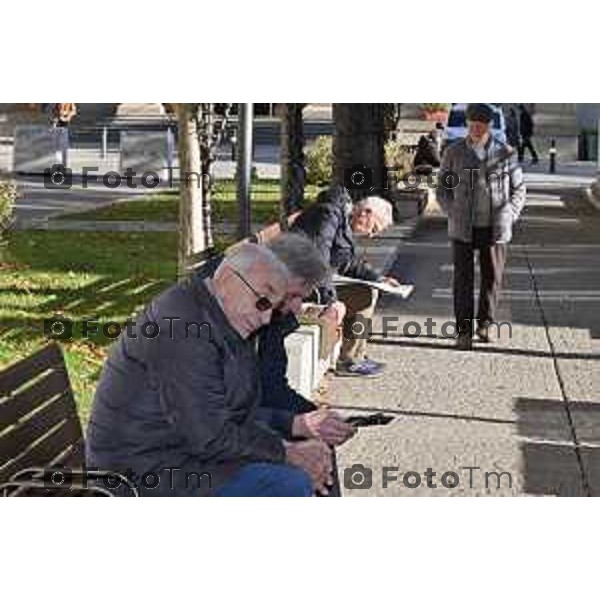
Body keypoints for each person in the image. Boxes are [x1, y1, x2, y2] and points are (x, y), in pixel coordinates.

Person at [86, 242, 335, 496]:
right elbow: (210, 437)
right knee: (291, 482)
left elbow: (231, 414)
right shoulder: (183, 329)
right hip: (143, 474)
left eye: (272, 307)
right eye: (262, 302)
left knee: (310, 458)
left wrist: (291, 427)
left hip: (181, 457)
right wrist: (286, 452)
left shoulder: (220, 315)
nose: (266, 318)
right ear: (227, 279)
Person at [437, 103, 526, 351]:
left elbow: (519, 189)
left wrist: (510, 214)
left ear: (489, 126)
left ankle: (485, 325)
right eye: (472, 124)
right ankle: (463, 332)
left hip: (495, 226)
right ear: (467, 125)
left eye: (481, 125)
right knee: (462, 280)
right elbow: (443, 189)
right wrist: (451, 211)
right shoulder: (454, 153)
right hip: (463, 227)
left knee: (491, 278)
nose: (476, 129)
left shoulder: (505, 153)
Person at [291, 185, 398, 377]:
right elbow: (318, 257)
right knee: (364, 294)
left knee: (369, 290)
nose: (372, 235)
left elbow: (346, 262)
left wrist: (379, 278)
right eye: (374, 228)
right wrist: (331, 300)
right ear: (366, 213)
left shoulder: (342, 218)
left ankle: (355, 356)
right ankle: (349, 360)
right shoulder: (329, 214)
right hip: (299, 287)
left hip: (312, 283)